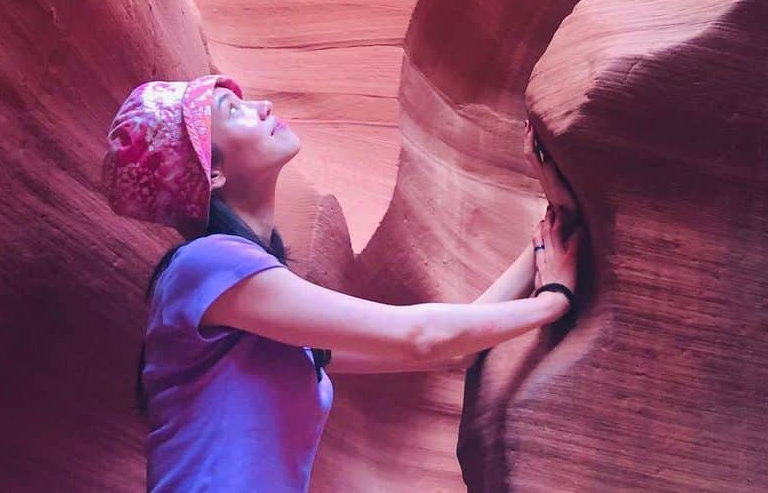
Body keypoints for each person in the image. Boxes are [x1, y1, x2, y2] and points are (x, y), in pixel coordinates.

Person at [102, 73, 582, 492]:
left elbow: (453, 349)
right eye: (233, 109)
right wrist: (553, 301)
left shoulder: (268, 322)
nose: (261, 106)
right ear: (213, 171)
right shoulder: (205, 265)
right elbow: (418, 337)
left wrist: (551, 226)